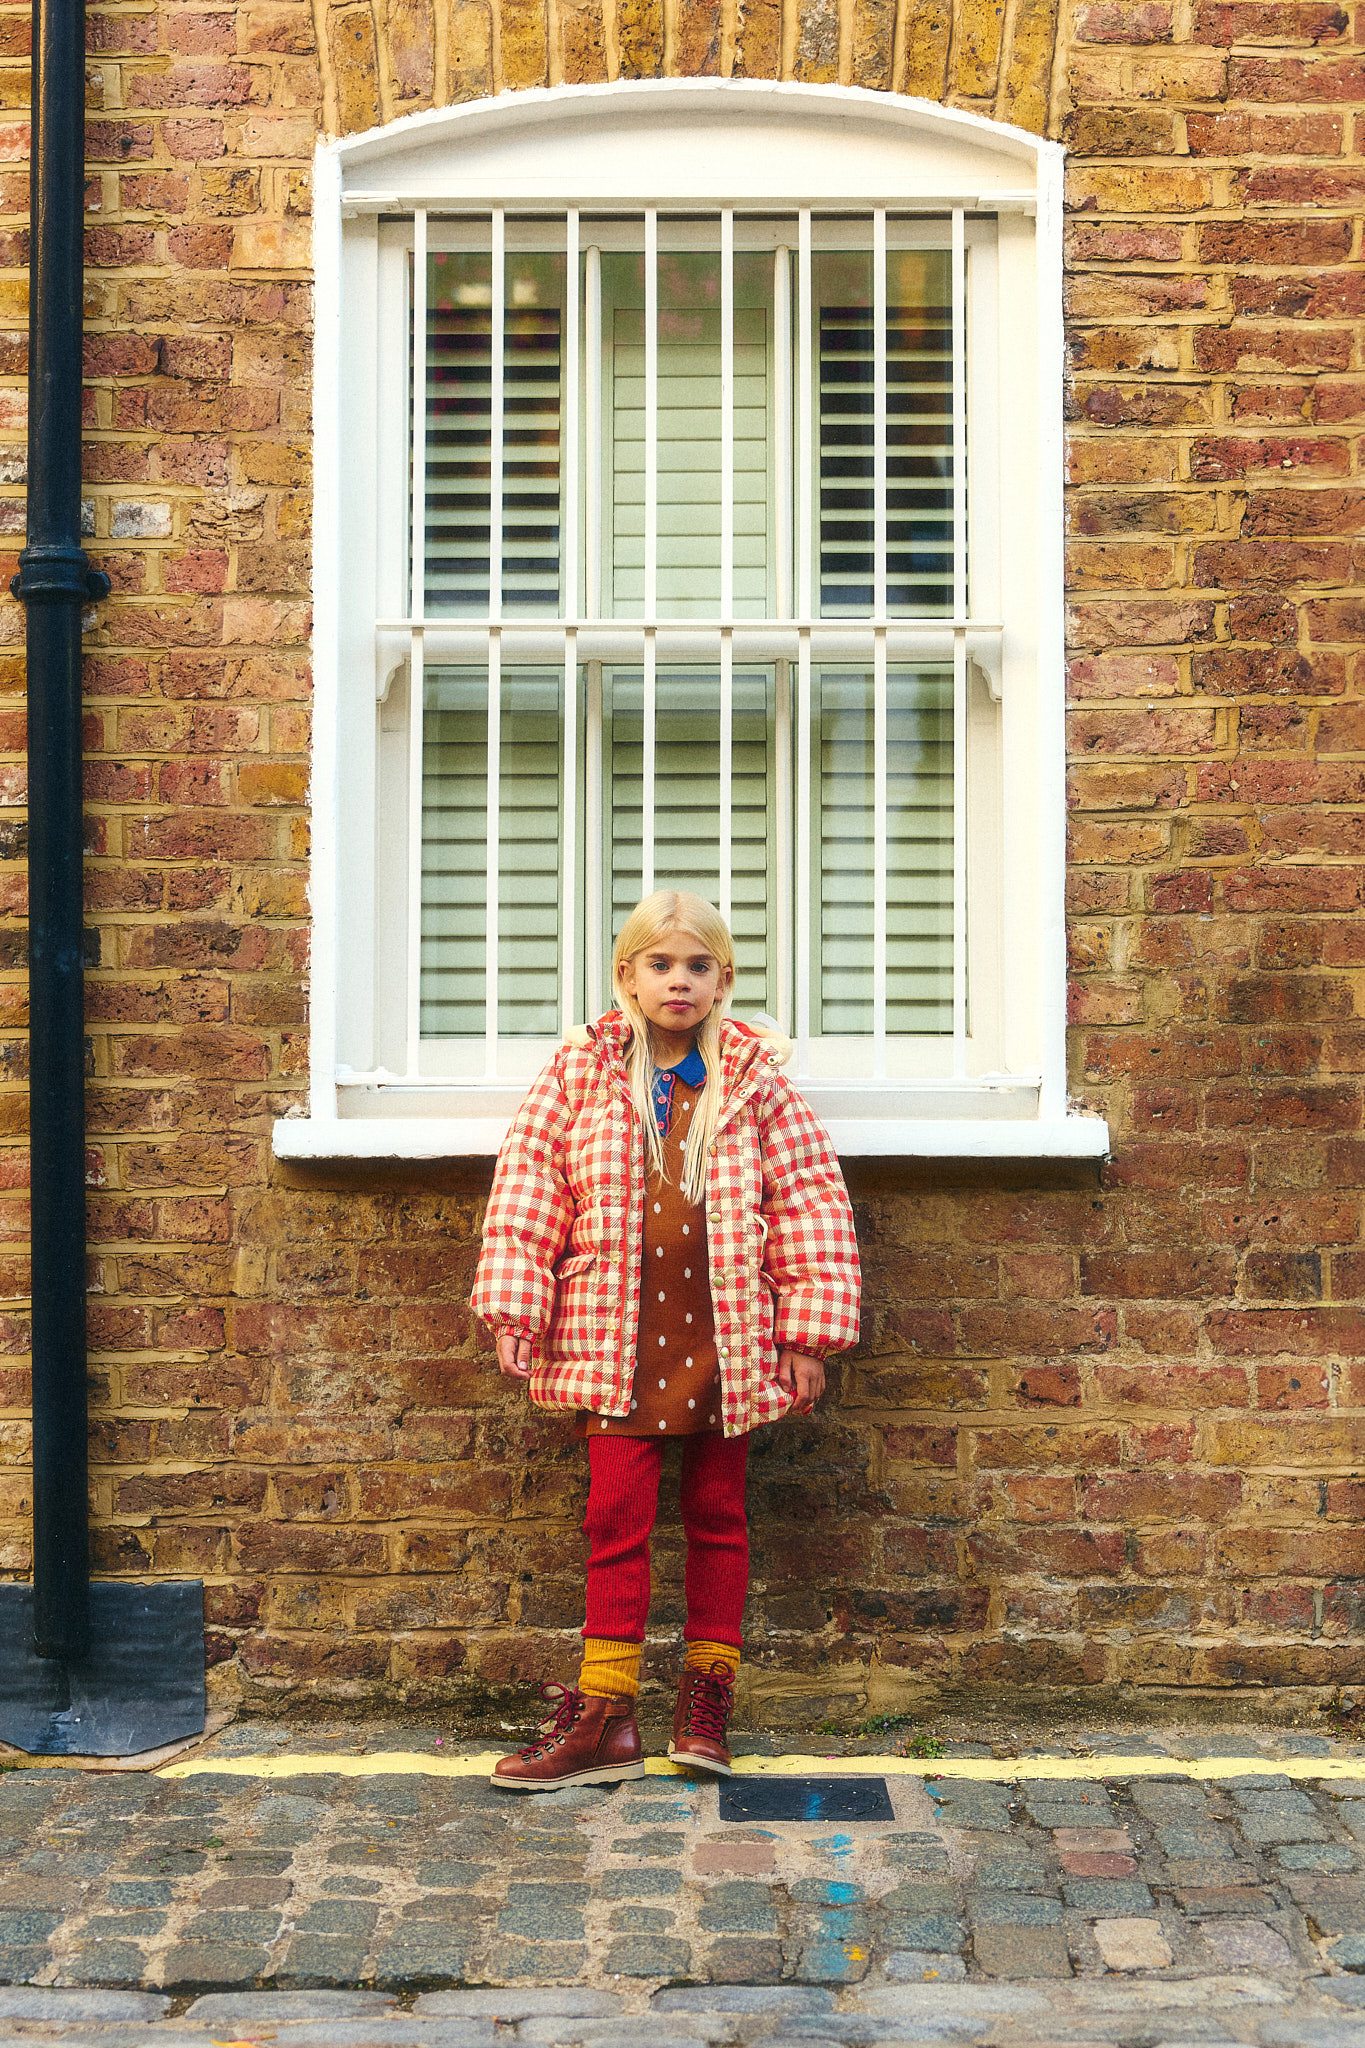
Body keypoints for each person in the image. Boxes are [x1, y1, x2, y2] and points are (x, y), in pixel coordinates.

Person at [471, 890, 861, 1791]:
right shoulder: (581, 1075)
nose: (678, 981)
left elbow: (806, 1201)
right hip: (614, 1341)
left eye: (696, 966)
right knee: (615, 1523)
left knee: (719, 1519)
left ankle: (705, 1705)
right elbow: (530, 1187)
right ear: (627, 976)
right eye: (659, 964)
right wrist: (517, 1307)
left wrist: (805, 1334)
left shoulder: (754, 1082)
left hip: (728, 1342)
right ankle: (605, 1716)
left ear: (723, 980)